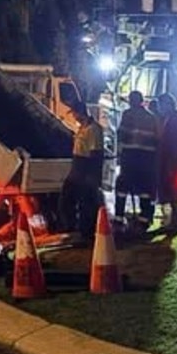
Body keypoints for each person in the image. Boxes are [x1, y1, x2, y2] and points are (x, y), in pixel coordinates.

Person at [59, 102, 105, 241]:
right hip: (77, 166)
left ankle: (87, 233)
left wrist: (93, 176)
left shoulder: (94, 129)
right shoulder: (82, 128)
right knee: (66, 198)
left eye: (74, 113)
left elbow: (96, 154)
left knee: (87, 202)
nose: (73, 117)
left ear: (80, 113)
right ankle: (71, 227)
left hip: (86, 167)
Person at [116, 90, 160, 230]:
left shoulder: (127, 114)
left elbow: (121, 134)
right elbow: (157, 140)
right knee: (145, 189)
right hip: (147, 158)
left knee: (122, 186)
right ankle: (145, 218)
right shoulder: (152, 117)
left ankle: (119, 217)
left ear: (131, 101)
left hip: (130, 156)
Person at [154, 92, 177, 236]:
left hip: (173, 162)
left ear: (167, 104)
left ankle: (175, 223)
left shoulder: (175, 119)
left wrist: (169, 165)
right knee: (171, 192)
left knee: (173, 192)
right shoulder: (173, 117)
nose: (159, 108)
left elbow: (173, 144)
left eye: (161, 105)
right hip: (173, 161)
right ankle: (172, 221)